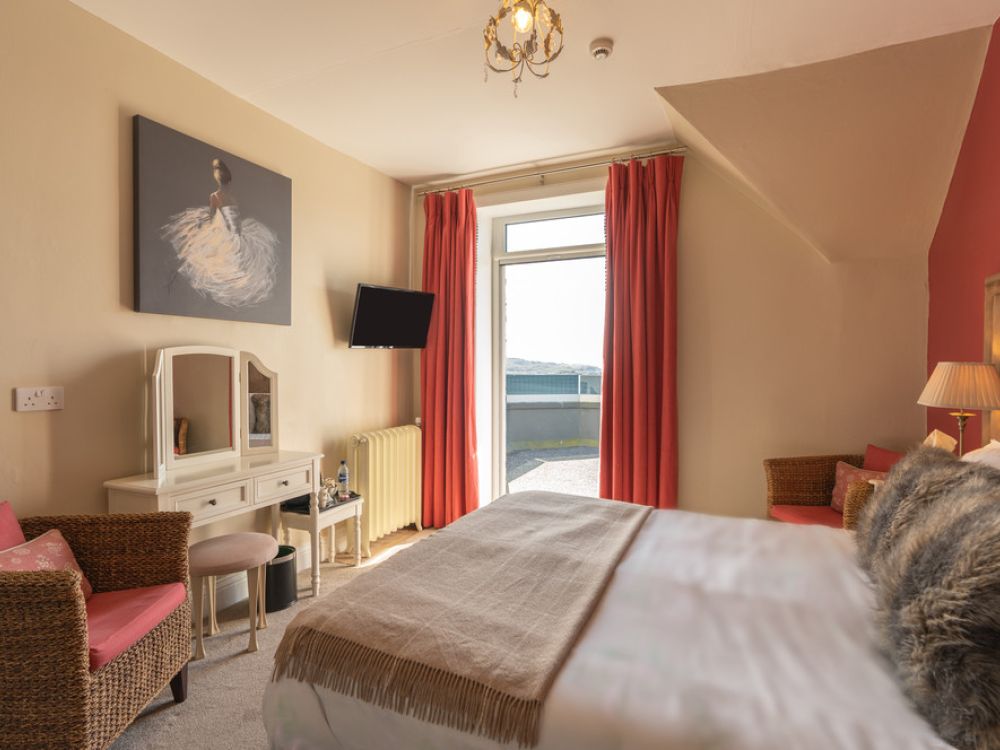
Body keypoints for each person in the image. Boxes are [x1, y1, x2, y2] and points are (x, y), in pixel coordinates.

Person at [161, 158, 278, 308]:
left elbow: (211, 216)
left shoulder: (215, 196)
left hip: (225, 231)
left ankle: (172, 282)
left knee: (198, 248)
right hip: (236, 232)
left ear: (217, 179)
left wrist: (204, 223)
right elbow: (235, 219)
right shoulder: (232, 198)